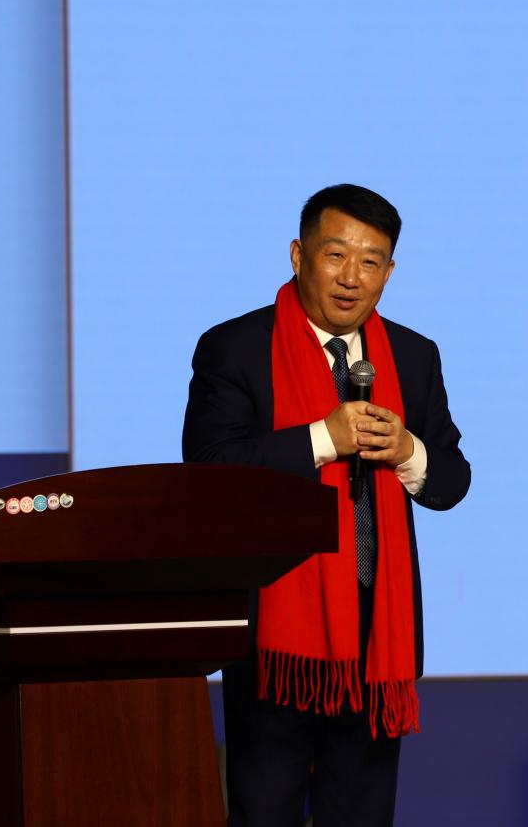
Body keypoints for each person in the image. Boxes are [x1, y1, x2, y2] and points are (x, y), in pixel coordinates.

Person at [182, 183, 472, 827]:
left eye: (371, 262)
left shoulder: (414, 356)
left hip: (378, 638)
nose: (351, 278)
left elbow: (451, 482)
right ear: (298, 255)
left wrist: (407, 450)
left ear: (389, 272)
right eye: (335, 255)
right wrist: (323, 439)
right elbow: (209, 471)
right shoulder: (236, 347)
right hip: (275, 639)